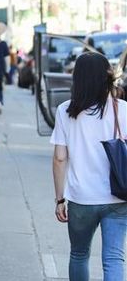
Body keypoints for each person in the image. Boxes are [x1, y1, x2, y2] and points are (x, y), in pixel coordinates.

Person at [50, 52, 127, 281]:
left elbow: (59, 159)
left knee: (79, 254)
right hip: (118, 196)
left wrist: (60, 199)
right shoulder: (122, 109)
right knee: (114, 258)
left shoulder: (65, 110)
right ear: (107, 77)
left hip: (81, 198)